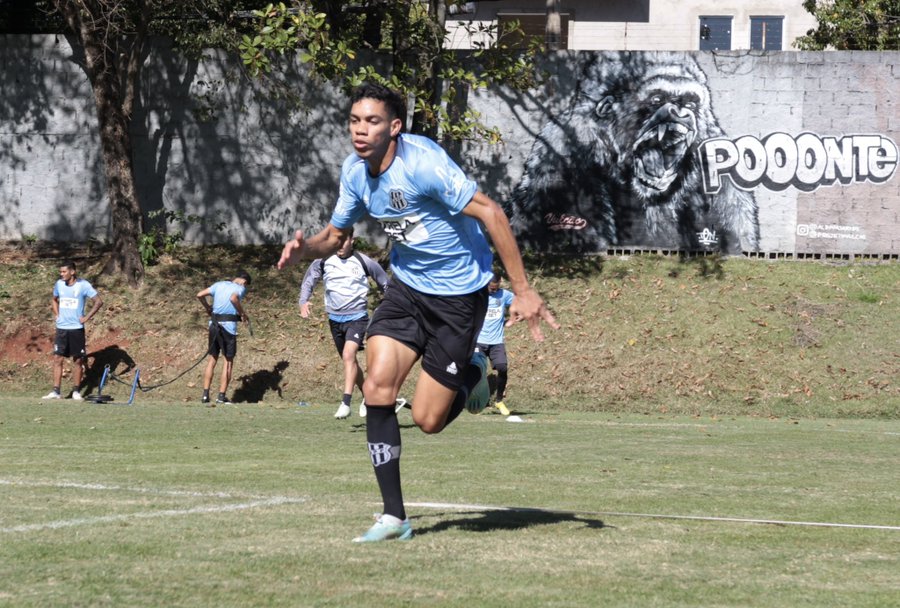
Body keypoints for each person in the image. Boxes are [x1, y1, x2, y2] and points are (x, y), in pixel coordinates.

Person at [278, 82, 559, 543]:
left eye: (371, 121)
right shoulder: (354, 173)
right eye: (354, 121)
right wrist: (304, 247)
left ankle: (474, 374)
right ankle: (395, 517)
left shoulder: (423, 164)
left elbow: (492, 213)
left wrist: (523, 290)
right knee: (376, 387)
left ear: (394, 126)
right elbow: (335, 235)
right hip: (407, 290)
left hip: (458, 301)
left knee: (429, 421)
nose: (360, 130)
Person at [298, 229, 389, 419]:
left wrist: (390, 306)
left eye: (343, 241)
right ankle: (368, 397)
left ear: (352, 240)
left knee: (349, 355)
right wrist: (303, 301)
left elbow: (385, 283)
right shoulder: (323, 261)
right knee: (350, 362)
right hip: (334, 319)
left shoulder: (364, 261)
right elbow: (309, 281)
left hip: (357, 318)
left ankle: (345, 403)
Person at [42, 261, 104, 400]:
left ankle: (76, 391)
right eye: (61, 272)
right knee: (58, 358)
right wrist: (57, 314)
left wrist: (86, 317)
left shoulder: (83, 285)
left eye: (64, 272)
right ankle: (56, 391)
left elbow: (98, 301)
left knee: (78, 360)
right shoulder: (59, 284)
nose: (61, 274)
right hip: (62, 328)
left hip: (76, 329)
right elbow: (54, 299)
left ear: (72, 272)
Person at [196, 271, 251, 404]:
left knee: (212, 359)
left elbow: (199, 295)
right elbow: (233, 298)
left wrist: (207, 307)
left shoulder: (218, 285)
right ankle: (221, 396)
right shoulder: (240, 288)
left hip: (213, 325)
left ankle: (205, 395)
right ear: (244, 282)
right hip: (228, 327)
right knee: (228, 361)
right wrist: (242, 314)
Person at [475, 271, 516, 416]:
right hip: (479, 340)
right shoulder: (477, 294)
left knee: (502, 368)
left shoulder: (504, 295)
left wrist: (514, 319)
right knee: (475, 371)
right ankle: (475, 400)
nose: (494, 290)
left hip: (496, 342)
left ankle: (499, 401)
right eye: (492, 288)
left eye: (496, 287)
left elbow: (519, 304)